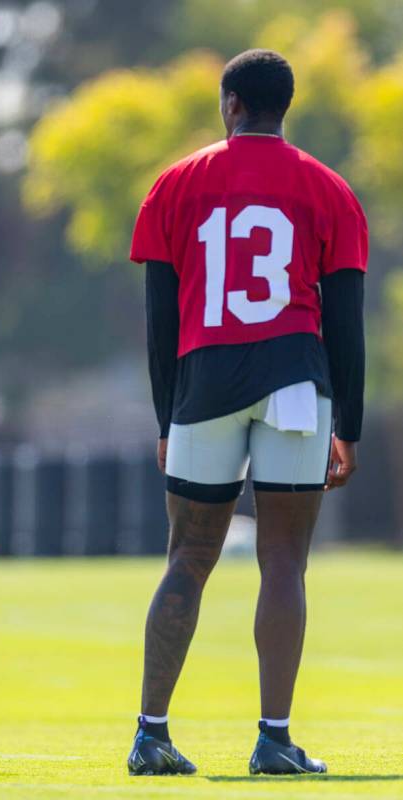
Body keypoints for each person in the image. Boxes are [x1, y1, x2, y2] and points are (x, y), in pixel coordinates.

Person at [127, 49, 366, 776]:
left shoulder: (174, 183)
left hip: (202, 380)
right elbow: (347, 324)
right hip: (294, 378)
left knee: (187, 558)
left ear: (229, 103)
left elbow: (160, 322)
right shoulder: (326, 188)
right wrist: (345, 427)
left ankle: (150, 732)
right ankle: (272, 737)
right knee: (283, 561)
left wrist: (167, 419)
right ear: (281, 106)